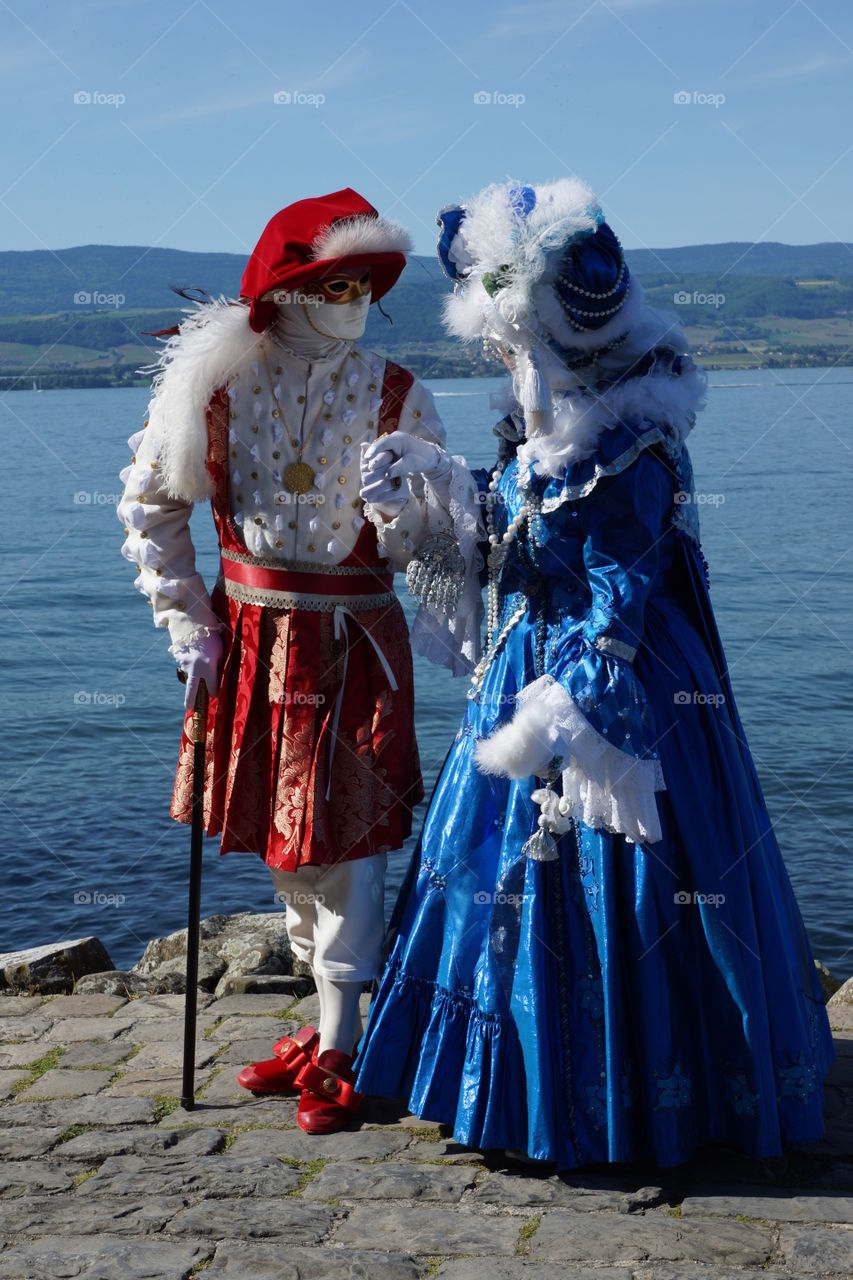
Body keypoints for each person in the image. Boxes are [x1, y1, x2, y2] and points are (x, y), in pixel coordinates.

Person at [353, 177, 835, 1168]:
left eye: (503, 333)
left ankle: (634, 1096)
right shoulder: (560, 426)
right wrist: (445, 488)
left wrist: (576, 709)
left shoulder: (632, 446)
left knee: (615, 871)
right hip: (540, 651)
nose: (493, 351)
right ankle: (516, 1086)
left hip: (621, 689)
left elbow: (622, 592)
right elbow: (525, 535)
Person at [116, 187, 477, 1134]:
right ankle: (323, 1031)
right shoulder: (215, 392)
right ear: (288, 289)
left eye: (365, 282)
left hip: (354, 639)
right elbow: (154, 510)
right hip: (252, 637)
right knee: (287, 843)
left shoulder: (402, 393)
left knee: (345, 840)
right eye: (333, 281)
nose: (353, 298)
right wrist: (187, 623)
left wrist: (409, 509)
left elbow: (436, 548)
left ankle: (348, 1039)